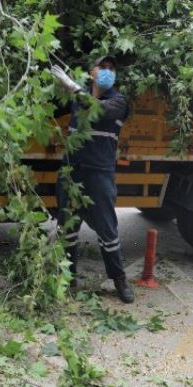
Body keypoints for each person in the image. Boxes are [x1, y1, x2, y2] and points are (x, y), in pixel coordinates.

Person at [51, 55, 134, 303]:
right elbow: (51, 109)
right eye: (103, 67)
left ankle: (119, 280)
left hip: (100, 174)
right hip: (72, 171)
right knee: (68, 229)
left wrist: (71, 86)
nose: (108, 71)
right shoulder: (78, 98)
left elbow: (97, 110)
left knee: (108, 231)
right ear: (91, 72)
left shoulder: (118, 101)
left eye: (112, 68)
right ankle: (68, 278)